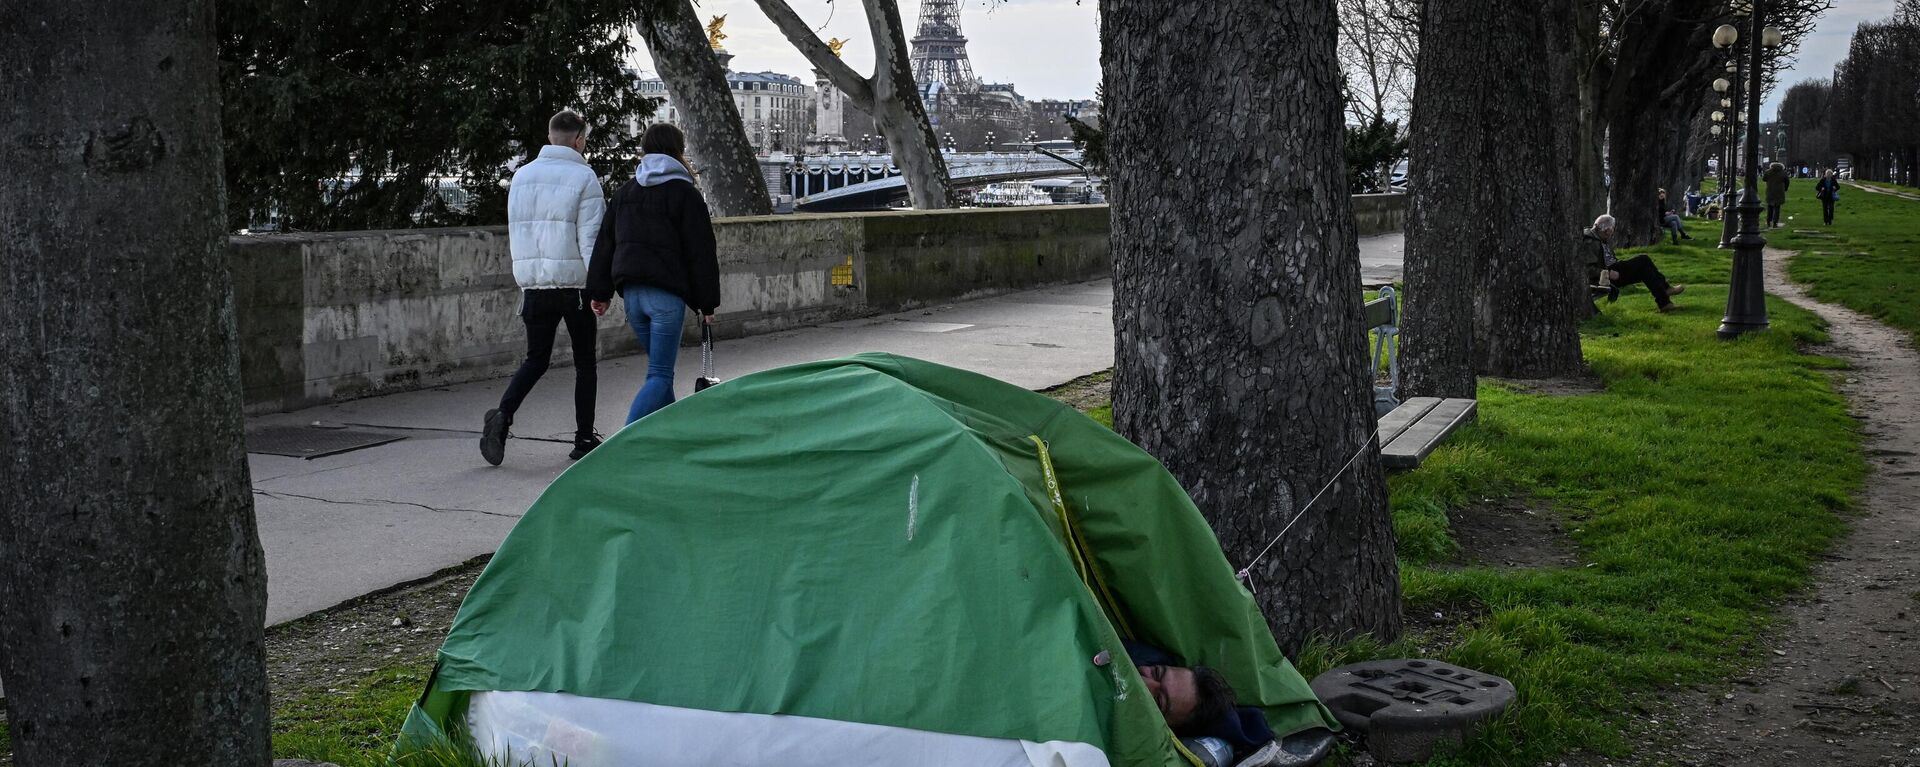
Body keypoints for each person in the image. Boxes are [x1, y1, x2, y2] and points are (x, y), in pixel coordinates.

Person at [481, 110, 607, 466]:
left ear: (551, 136)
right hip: (575, 285)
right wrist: (600, 288)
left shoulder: (522, 176)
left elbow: (521, 230)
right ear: (579, 139)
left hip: (535, 284)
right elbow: (591, 239)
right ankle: (584, 437)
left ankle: (502, 417)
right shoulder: (584, 177)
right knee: (585, 363)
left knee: (536, 359)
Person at [587, 123, 720, 424]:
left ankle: (672, 435)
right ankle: (623, 444)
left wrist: (600, 292)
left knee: (660, 373)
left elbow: (606, 243)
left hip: (632, 296)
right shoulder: (685, 193)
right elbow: (700, 252)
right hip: (665, 296)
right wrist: (707, 304)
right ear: (679, 150)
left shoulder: (625, 192)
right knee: (659, 374)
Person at [1586, 214, 1685, 312]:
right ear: (1606, 230)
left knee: (1645, 269)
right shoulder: (1591, 242)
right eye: (1612, 230)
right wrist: (1607, 273)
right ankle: (1665, 294)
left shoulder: (1600, 237)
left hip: (1613, 269)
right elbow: (1587, 269)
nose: (1612, 233)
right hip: (1605, 277)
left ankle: (1665, 302)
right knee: (1643, 260)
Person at [1764, 161, 1791, 228]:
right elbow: (1787, 181)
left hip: (1770, 190)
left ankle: (1768, 221)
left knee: (1770, 206)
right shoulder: (1783, 173)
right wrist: (1785, 188)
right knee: (1777, 207)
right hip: (1779, 191)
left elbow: (1764, 179)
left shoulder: (1768, 172)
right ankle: (1775, 222)